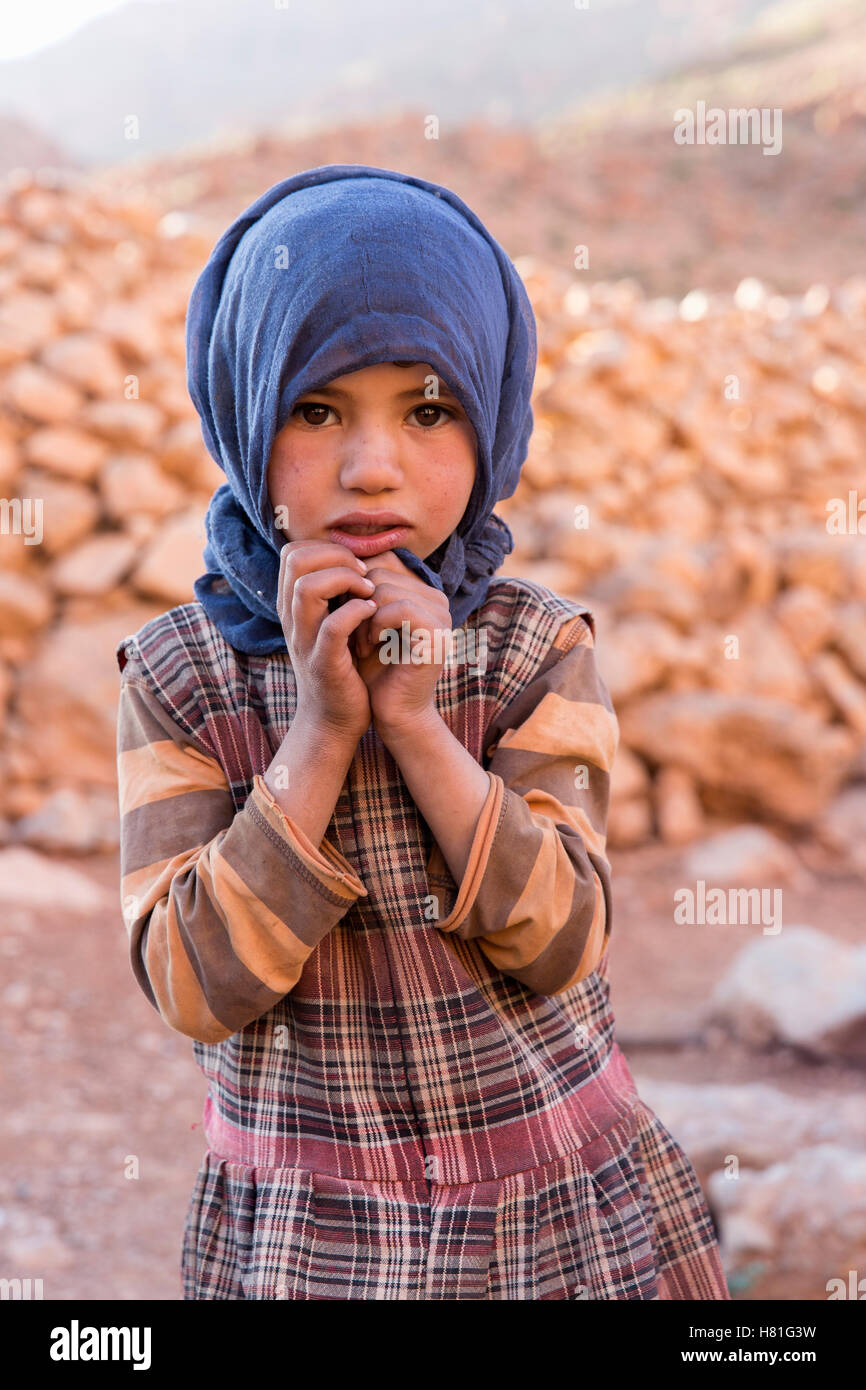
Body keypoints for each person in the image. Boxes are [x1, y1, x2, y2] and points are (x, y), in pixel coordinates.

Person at [115, 163, 730, 1301]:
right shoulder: (178, 676)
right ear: (246, 410)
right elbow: (192, 986)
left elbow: (562, 939)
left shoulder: (531, 649)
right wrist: (318, 730)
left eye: (428, 410)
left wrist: (413, 723)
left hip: (556, 1222)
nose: (371, 466)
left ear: (490, 415)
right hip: (312, 1247)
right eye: (316, 409)